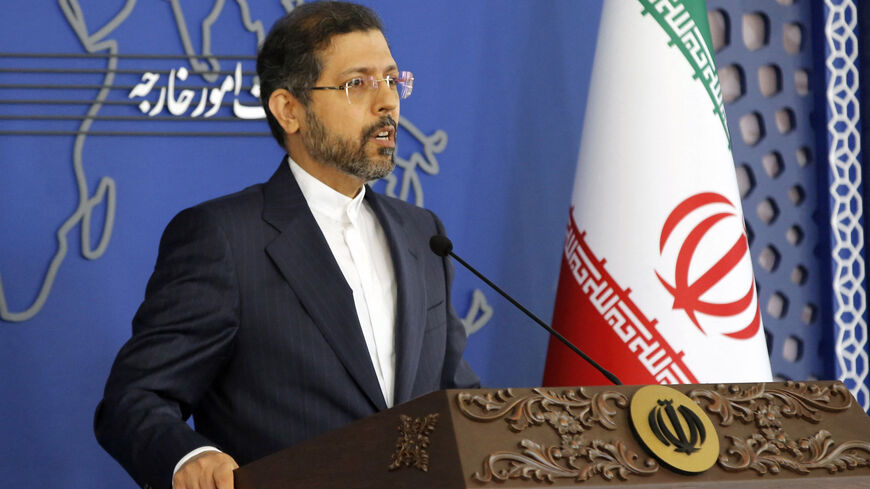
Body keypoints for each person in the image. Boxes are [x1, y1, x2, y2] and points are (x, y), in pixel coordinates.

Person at [93, 3, 480, 489]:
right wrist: (189, 456)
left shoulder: (423, 234)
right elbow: (135, 399)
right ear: (289, 110)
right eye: (358, 83)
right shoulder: (224, 238)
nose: (387, 102)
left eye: (391, 79)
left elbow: (455, 397)